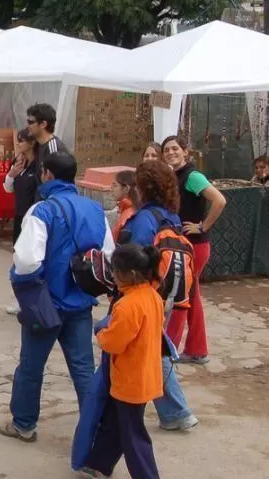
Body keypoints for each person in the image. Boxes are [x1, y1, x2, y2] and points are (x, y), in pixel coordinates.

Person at [0, 151, 115, 443]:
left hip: (45, 305)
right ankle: (95, 428)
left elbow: (26, 260)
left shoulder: (42, 211)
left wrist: (26, 288)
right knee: (83, 369)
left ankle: (24, 424)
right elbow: (108, 256)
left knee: (31, 367)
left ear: (47, 175)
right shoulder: (95, 210)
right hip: (80, 303)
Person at [117, 159, 198, 432]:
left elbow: (135, 259)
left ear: (142, 188)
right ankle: (175, 412)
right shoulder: (171, 216)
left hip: (145, 294)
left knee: (148, 349)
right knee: (155, 347)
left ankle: (177, 412)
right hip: (166, 294)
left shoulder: (144, 219)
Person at [78, 244, 164, 479]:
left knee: (133, 435)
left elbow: (113, 343)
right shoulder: (152, 296)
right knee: (114, 421)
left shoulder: (127, 305)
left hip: (130, 379)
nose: (113, 277)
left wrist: (101, 332)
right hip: (143, 374)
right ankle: (99, 465)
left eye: (115, 272)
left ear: (131, 274)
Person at [161, 135, 227, 364]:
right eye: (167, 150)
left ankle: (169, 350)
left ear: (185, 151)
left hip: (195, 246)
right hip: (187, 246)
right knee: (191, 296)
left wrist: (202, 226)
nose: (171, 153)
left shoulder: (192, 176)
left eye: (175, 149)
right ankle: (197, 349)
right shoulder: (176, 176)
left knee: (180, 296)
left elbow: (219, 200)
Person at [3, 128, 39, 242]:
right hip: (19, 214)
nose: (17, 143)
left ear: (32, 143)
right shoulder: (18, 162)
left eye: (21, 140)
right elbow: (8, 189)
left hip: (34, 216)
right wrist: (11, 175)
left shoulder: (39, 164)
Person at [26, 103, 70, 195]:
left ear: (43, 124)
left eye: (30, 122)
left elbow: (56, 184)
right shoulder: (39, 145)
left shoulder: (53, 148)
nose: (27, 126)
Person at [110, 169, 138, 244]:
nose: (111, 188)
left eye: (115, 185)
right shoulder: (130, 209)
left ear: (126, 189)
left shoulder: (129, 215)